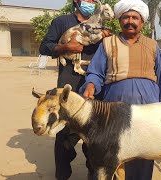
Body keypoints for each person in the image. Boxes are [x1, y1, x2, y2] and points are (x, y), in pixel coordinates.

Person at [79, 0, 161, 179]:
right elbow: (95, 73)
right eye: (126, 17)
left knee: (144, 155)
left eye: (135, 17)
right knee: (113, 154)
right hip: (114, 114)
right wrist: (90, 85)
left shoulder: (153, 46)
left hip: (147, 114)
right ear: (120, 21)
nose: (130, 21)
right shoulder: (107, 44)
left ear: (142, 22)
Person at [39, 0, 111, 179]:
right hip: (69, 84)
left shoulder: (99, 25)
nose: (91, 3)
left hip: (95, 85)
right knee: (64, 133)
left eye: (94, 0)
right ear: (76, 2)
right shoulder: (61, 22)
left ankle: (94, 173)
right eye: (88, 0)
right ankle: (62, 175)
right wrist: (65, 47)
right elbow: (44, 46)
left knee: (94, 133)